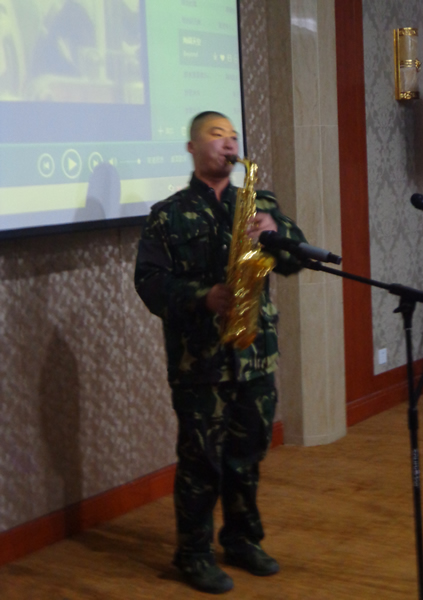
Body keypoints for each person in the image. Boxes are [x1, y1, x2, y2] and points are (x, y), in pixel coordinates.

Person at [134, 111, 307, 594]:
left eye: (233, 136)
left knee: (246, 456)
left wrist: (276, 232)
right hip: (200, 363)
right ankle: (192, 553)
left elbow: (294, 260)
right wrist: (203, 296)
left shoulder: (260, 204)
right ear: (192, 147)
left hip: (254, 356)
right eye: (217, 135)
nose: (229, 143)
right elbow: (149, 283)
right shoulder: (167, 214)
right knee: (201, 462)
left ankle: (242, 539)